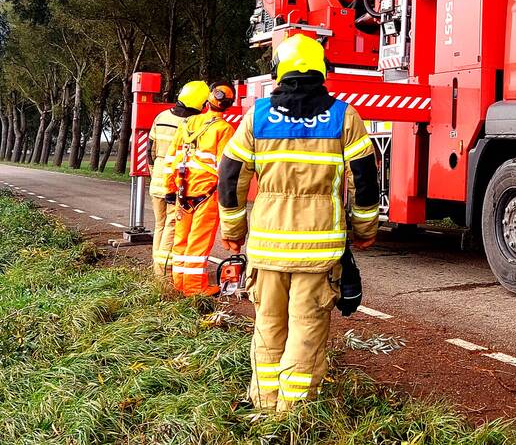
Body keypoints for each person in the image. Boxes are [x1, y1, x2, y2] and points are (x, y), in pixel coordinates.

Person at [217, 34, 379, 412]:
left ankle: (263, 406)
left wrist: (233, 232)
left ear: (278, 72)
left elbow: (230, 177)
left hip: (267, 250)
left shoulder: (257, 117)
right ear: (322, 71)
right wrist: (365, 231)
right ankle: (292, 415)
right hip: (319, 252)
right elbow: (365, 178)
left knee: (269, 327)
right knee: (306, 330)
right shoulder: (343, 116)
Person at [164, 82, 237, 296]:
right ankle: (195, 289)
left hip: (182, 191)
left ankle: (180, 284)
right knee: (198, 243)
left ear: (207, 102)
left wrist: (170, 187)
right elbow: (225, 168)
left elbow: (171, 159)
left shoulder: (187, 124)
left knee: (181, 242)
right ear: (228, 106)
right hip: (207, 194)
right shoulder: (224, 129)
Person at [146, 81, 209, 279]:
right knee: (172, 226)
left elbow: (150, 150)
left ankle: (155, 268)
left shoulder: (161, 117)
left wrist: (153, 172)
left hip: (157, 178)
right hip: (174, 183)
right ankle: (163, 273)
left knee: (159, 225)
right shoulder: (193, 123)